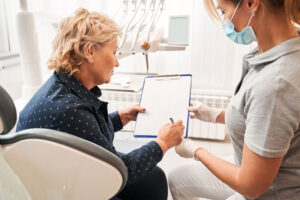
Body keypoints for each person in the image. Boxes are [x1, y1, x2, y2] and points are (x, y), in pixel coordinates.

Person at [16, 8, 184, 200]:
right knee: (147, 179)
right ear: (90, 51)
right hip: (61, 190)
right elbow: (121, 170)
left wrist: (119, 118)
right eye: (114, 52)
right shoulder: (70, 110)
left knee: (153, 178)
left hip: (60, 176)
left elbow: (83, 136)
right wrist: (162, 142)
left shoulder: (59, 87)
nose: (117, 62)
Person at [168, 0, 300, 199]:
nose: (225, 21)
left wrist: (195, 150)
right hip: (259, 169)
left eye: (223, 11)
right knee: (178, 178)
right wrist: (214, 115)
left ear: (251, 3)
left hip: (269, 191)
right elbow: (264, 119)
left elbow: (250, 186)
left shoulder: (275, 84)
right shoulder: (274, 50)